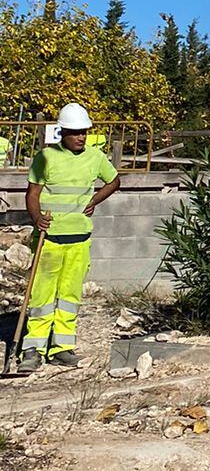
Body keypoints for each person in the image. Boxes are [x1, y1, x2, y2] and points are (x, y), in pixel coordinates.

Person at [18, 104, 119, 372]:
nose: (81, 138)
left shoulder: (95, 158)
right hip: (49, 238)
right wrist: (36, 217)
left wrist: (96, 199)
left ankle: (62, 347)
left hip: (79, 237)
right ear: (62, 132)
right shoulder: (46, 157)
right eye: (75, 133)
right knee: (42, 295)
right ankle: (33, 348)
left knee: (69, 296)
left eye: (84, 133)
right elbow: (33, 193)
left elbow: (114, 181)